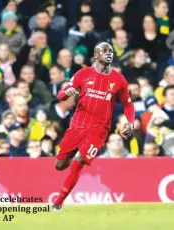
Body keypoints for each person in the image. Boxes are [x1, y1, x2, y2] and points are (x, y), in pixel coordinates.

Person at [52, 42, 135, 210]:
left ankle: (58, 203)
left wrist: (130, 121)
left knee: (78, 162)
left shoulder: (118, 79)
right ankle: (66, 162)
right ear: (96, 55)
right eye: (104, 51)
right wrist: (64, 93)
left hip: (99, 129)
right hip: (78, 125)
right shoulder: (83, 74)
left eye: (110, 51)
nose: (108, 53)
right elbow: (62, 94)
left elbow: (127, 103)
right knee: (60, 165)